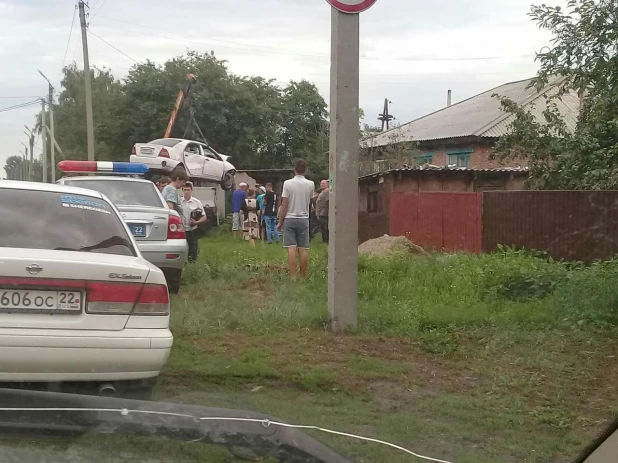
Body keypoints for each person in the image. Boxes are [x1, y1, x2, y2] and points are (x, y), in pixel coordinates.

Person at [277, 159, 315, 278]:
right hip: (304, 218)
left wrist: (280, 222)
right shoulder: (311, 184)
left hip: (290, 218)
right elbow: (310, 200)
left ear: (294, 169)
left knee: (291, 248)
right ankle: (303, 276)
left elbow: (285, 204)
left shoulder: (287, 183)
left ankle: (293, 276)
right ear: (305, 169)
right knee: (303, 249)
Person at [181, 182, 207, 263]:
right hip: (181, 229)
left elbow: (204, 216)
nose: (186, 192)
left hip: (192, 229)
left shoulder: (196, 202)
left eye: (188, 190)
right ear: (182, 190)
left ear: (191, 190)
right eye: (185, 190)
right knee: (182, 247)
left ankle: (192, 263)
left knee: (193, 247)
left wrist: (196, 222)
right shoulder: (179, 202)